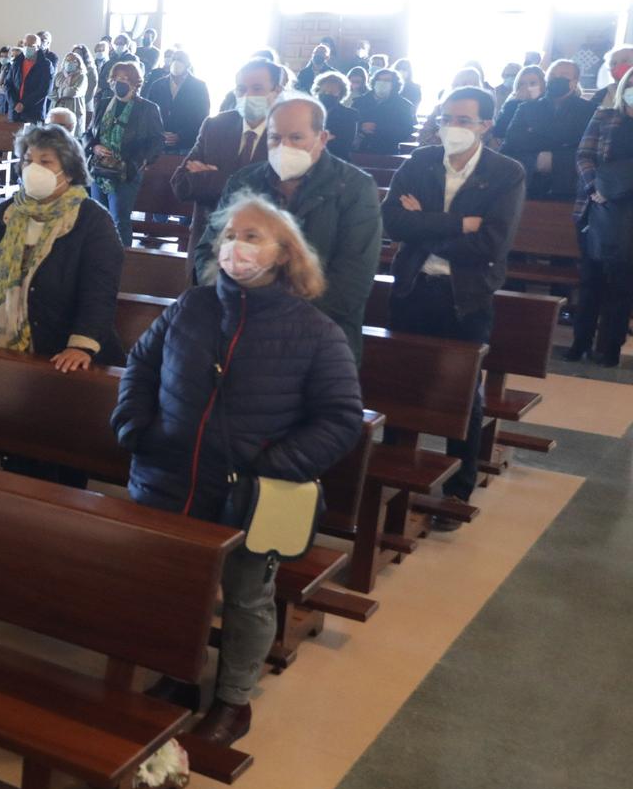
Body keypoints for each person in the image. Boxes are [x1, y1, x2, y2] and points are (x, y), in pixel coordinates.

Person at [113, 194, 364, 745]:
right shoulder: (192, 306)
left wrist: (272, 466)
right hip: (170, 478)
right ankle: (179, 675)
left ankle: (233, 700)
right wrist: (135, 426)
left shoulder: (315, 332)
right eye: (230, 235)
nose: (236, 246)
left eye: (252, 237)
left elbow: (341, 419)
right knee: (175, 586)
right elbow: (140, 365)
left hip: (251, 495)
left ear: (282, 255)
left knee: (248, 597)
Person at [382, 87, 525, 523]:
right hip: (413, 287)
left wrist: (422, 226)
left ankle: (458, 489)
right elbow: (392, 220)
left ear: (485, 126)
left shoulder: (506, 172)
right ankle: (393, 475)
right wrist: (455, 225)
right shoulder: (421, 161)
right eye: (447, 118)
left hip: (465, 297)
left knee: (461, 391)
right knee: (401, 384)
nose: (453, 127)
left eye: (464, 120)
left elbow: (490, 244)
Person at [195, 94, 384, 363]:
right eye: (275, 138)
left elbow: (351, 283)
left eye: (296, 138)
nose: (283, 146)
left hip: (319, 340)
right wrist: (229, 300)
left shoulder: (355, 188)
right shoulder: (243, 182)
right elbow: (207, 251)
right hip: (238, 331)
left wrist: (271, 318)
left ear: (322, 138)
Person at [0, 122, 123, 380]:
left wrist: (81, 345)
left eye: (46, 162)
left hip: (61, 358)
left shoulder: (93, 220)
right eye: (28, 160)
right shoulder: (7, 213)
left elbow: (99, 291)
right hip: (1, 348)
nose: (34, 169)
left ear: (68, 170)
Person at [171, 57, 284, 242]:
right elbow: (180, 184)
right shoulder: (216, 126)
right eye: (241, 89)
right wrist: (245, 187)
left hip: (262, 245)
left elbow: (277, 196)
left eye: (257, 89)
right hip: (208, 243)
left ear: (277, 91)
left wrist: (212, 178)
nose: (248, 95)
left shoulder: (288, 133)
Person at [568, 69, 633, 367]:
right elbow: (584, 154)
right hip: (597, 208)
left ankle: (610, 347)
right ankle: (579, 342)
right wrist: (597, 187)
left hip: (629, 212)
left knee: (622, 286)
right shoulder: (605, 116)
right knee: (590, 280)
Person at [87, 61, 164, 245]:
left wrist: (143, 160)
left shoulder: (147, 108)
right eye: (116, 78)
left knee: (120, 221)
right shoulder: (103, 103)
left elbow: (157, 140)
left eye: (124, 79)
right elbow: (89, 133)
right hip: (99, 170)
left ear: (135, 82)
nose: (119, 82)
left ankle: (124, 263)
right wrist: (94, 147)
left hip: (126, 172)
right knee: (97, 220)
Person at [503, 59, 591, 199]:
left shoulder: (590, 110)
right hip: (529, 185)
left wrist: (554, 159)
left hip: (569, 188)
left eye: (563, 75)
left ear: (574, 82)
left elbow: (588, 150)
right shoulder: (526, 108)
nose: (556, 78)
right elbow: (512, 143)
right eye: (552, 75)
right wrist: (539, 158)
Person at [148, 49, 210, 152]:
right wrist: (159, 133)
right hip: (158, 143)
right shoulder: (157, 85)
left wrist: (180, 136)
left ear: (188, 64)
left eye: (181, 60)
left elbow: (202, 116)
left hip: (185, 145)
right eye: (174, 59)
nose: (176, 62)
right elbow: (149, 113)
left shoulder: (199, 86)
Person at [356, 66, 416, 154]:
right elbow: (348, 123)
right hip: (360, 148)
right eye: (379, 80)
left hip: (388, 149)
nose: (382, 83)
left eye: (387, 81)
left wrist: (378, 128)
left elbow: (407, 130)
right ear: (374, 82)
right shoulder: (359, 102)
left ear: (394, 84)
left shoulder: (403, 105)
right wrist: (361, 126)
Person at [51, 43, 93, 136]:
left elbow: (73, 92)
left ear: (78, 63)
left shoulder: (82, 77)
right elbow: (50, 92)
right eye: (67, 60)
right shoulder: (59, 75)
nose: (69, 63)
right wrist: (63, 91)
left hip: (73, 110)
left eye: (73, 61)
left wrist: (59, 91)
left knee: (72, 139)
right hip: (57, 108)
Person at [314, 72, 359, 158]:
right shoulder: (307, 111)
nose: (327, 94)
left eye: (332, 92)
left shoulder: (349, 114)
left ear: (340, 94)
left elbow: (345, 143)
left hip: (336, 161)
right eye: (323, 91)